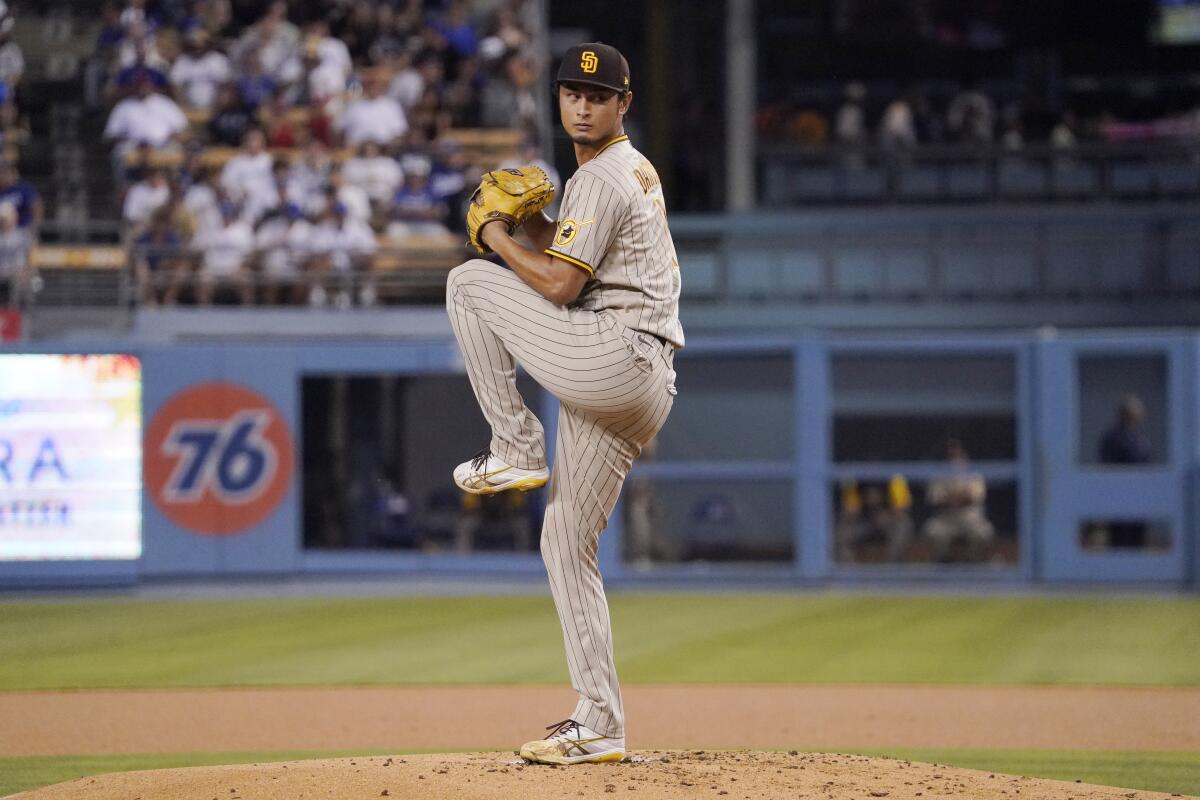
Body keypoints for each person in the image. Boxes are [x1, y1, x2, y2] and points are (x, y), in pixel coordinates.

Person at [445, 42, 681, 766]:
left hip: (616, 353)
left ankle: (515, 443)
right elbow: (571, 264)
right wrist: (536, 230)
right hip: (638, 377)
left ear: (622, 105)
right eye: (571, 93)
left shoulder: (605, 176)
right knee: (566, 539)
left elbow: (556, 289)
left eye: (597, 94)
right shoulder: (618, 171)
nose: (581, 104)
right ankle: (600, 720)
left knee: (469, 284)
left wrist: (493, 234)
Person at [921, 438, 995, 562]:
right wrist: (957, 498)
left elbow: (973, 498)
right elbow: (935, 500)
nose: (955, 461)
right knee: (932, 531)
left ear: (965, 457)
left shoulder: (975, 475)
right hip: (945, 520)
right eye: (952, 457)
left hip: (971, 519)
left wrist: (952, 498)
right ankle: (943, 561)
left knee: (984, 532)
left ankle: (972, 561)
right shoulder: (939, 475)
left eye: (959, 456)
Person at [1097, 395, 1153, 547]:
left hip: (1140, 497)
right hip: (1118, 496)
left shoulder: (1141, 440)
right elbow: (1108, 465)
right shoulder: (1112, 438)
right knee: (1119, 540)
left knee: (1137, 540)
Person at [835, 475, 914, 563]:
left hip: (888, 522)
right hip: (863, 522)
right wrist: (855, 513)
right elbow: (849, 511)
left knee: (904, 525)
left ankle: (891, 568)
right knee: (842, 531)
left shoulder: (894, 477)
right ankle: (848, 572)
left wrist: (888, 515)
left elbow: (902, 510)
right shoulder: (854, 478)